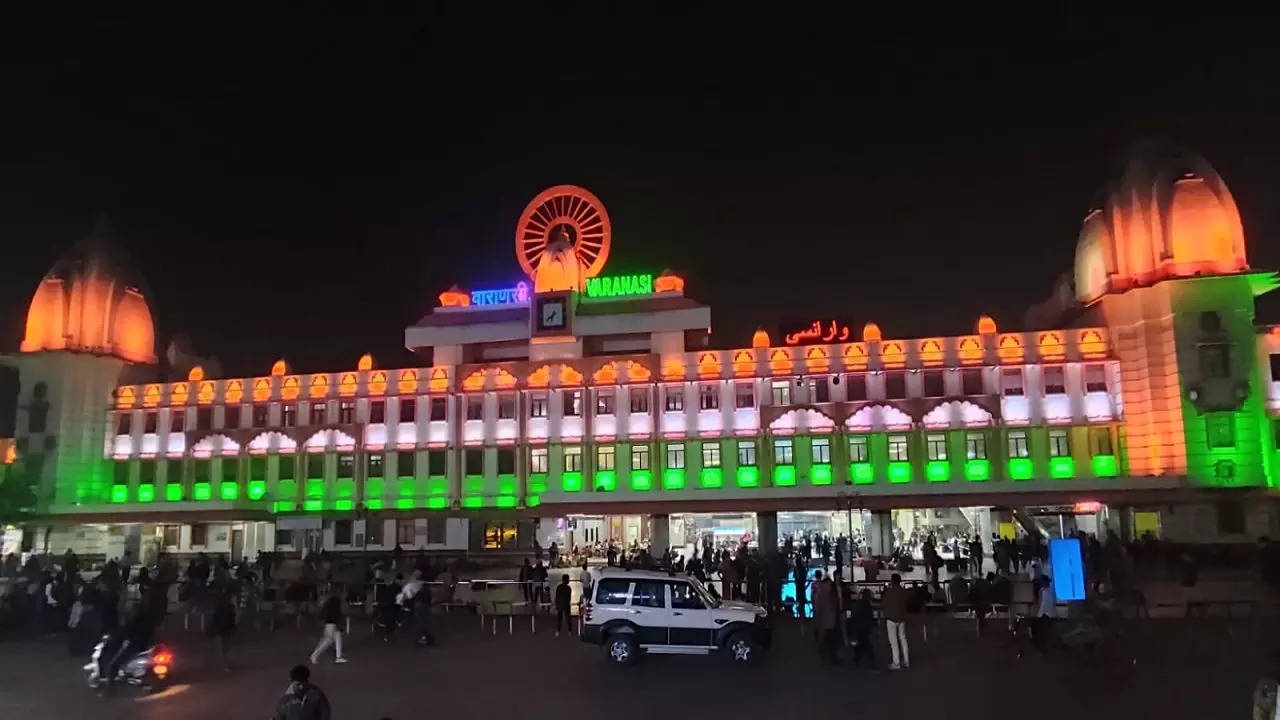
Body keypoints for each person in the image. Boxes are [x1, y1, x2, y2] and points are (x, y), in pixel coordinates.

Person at [882, 573, 910, 670]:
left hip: (891, 619)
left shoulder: (889, 592)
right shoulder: (904, 592)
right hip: (902, 618)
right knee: (903, 639)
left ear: (892, 581)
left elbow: (884, 603)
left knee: (894, 642)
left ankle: (896, 662)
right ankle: (906, 661)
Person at [810, 570, 839, 664]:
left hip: (826, 620)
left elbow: (815, 603)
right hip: (828, 620)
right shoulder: (828, 594)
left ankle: (826, 653)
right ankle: (830, 656)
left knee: (828, 638)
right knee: (829, 638)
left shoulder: (819, 590)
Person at [310, 593, 348, 664]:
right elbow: (338, 614)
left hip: (330, 622)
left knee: (337, 638)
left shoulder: (330, 603)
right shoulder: (337, 604)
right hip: (331, 623)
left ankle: (338, 657)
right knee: (328, 640)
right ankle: (314, 655)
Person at [208, 588, 236, 672]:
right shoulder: (228, 607)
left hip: (220, 629)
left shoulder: (219, 607)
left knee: (221, 648)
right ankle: (223, 665)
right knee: (224, 648)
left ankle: (221, 665)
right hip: (224, 630)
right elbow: (231, 619)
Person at [849, 588, 877, 668]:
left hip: (859, 626)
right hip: (863, 627)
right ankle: (869, 659)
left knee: (862, 644)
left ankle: (857, 658)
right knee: (865, 644)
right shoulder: (866, 604)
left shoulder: (858, 604)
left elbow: (854, 615)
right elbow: (869, 617)